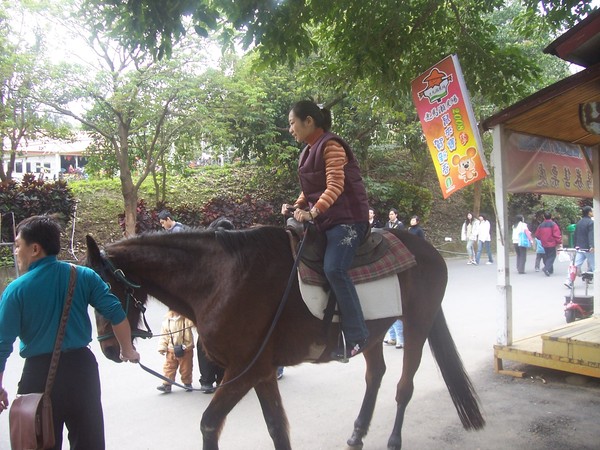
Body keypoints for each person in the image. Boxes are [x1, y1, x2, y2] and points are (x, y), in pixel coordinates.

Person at [0, 215, 139, 450]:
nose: (15, 251)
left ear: (35, 249)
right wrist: (128, 350)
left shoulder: (16, 290)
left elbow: (2, 345)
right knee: (88, 442)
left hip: (39, 375)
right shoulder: (83, 276)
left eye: (17, 245)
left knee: (38, 443)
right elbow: (116, 313)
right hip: (81, 371)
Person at [281, 99, 370, 360]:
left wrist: (312, 212)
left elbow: (334, 186)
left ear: (309, 121)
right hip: (326, 222)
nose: (290, 129)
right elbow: (311, 187)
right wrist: (297, 205)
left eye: (292, 123)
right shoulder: (309, 150)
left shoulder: (331, 146)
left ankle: (357, 335)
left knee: (334, 268)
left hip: (348, 222)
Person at [156, 310, 195, 393]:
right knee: (169, 367)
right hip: (171, 349)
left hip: (186, 349)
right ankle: (167, 384)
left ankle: (187, 382)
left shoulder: (187, 319)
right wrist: (162, 347)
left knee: (186, 368)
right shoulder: (167, 321)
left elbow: (194, 323)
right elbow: (164, 336)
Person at [564, 206, 594, 288]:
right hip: (588, 248)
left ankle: (568, 280)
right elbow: (591, 235)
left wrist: (575, 245)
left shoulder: (579, 222)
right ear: (589, 212)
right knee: (595, 265)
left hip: (579, 247)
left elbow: (575, 235)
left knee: (575, 265)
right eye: (592, 211)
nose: (593, 212)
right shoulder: (591, 222)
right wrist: (592, 245)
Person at [534, 211, 562, 276]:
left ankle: (550, 270)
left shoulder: (541, 225)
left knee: (547, 256)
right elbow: (557, 234)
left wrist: (542, 239)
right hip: (552, 243)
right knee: (552, 256)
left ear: (544, 217)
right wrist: (559, 242)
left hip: (544, 243)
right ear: (551, 216)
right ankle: (546, 268)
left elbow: (537, 235)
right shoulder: (553, 224)